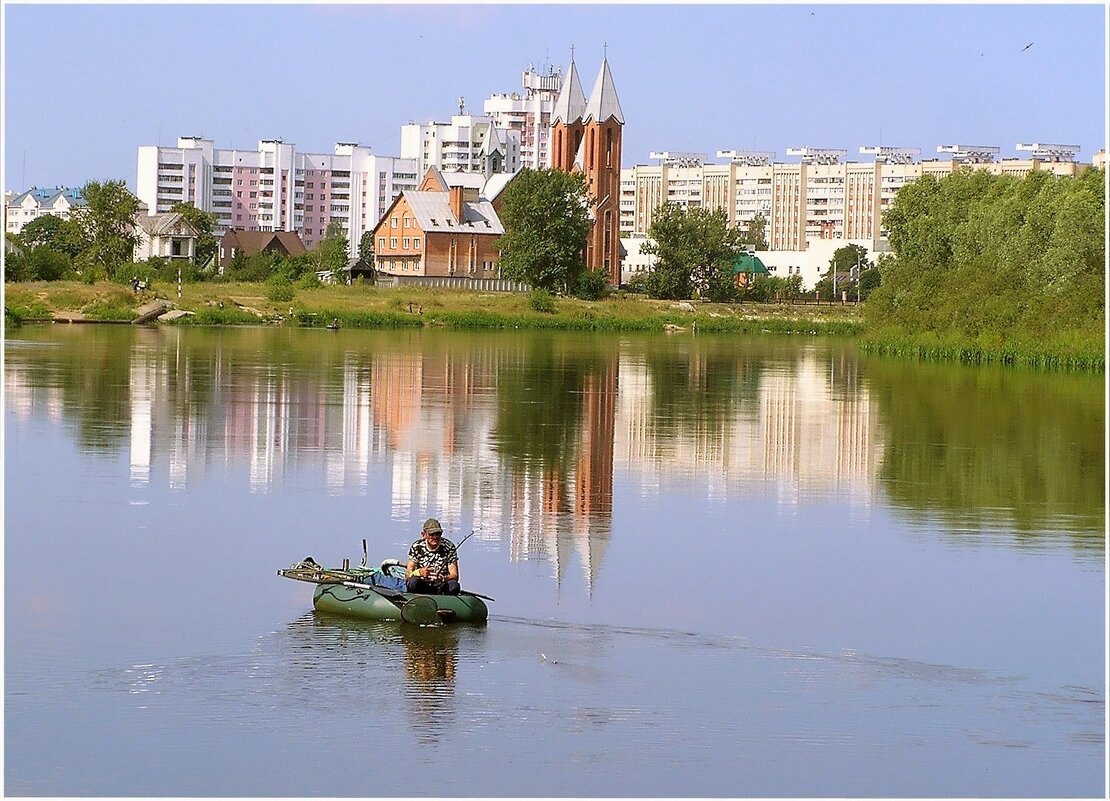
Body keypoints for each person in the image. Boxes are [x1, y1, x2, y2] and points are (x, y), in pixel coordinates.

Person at [406, 518, 460, 595]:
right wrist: (420, 572)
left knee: (454, 586)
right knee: (412, 582)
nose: (435, 537)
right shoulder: (417, 547)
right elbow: (408, 574)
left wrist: (442, 578)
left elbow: (454, 575)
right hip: (422, 584)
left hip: (441, 585)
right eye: (431, 534)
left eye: (438, 534)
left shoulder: (449, 547)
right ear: (424, 535)